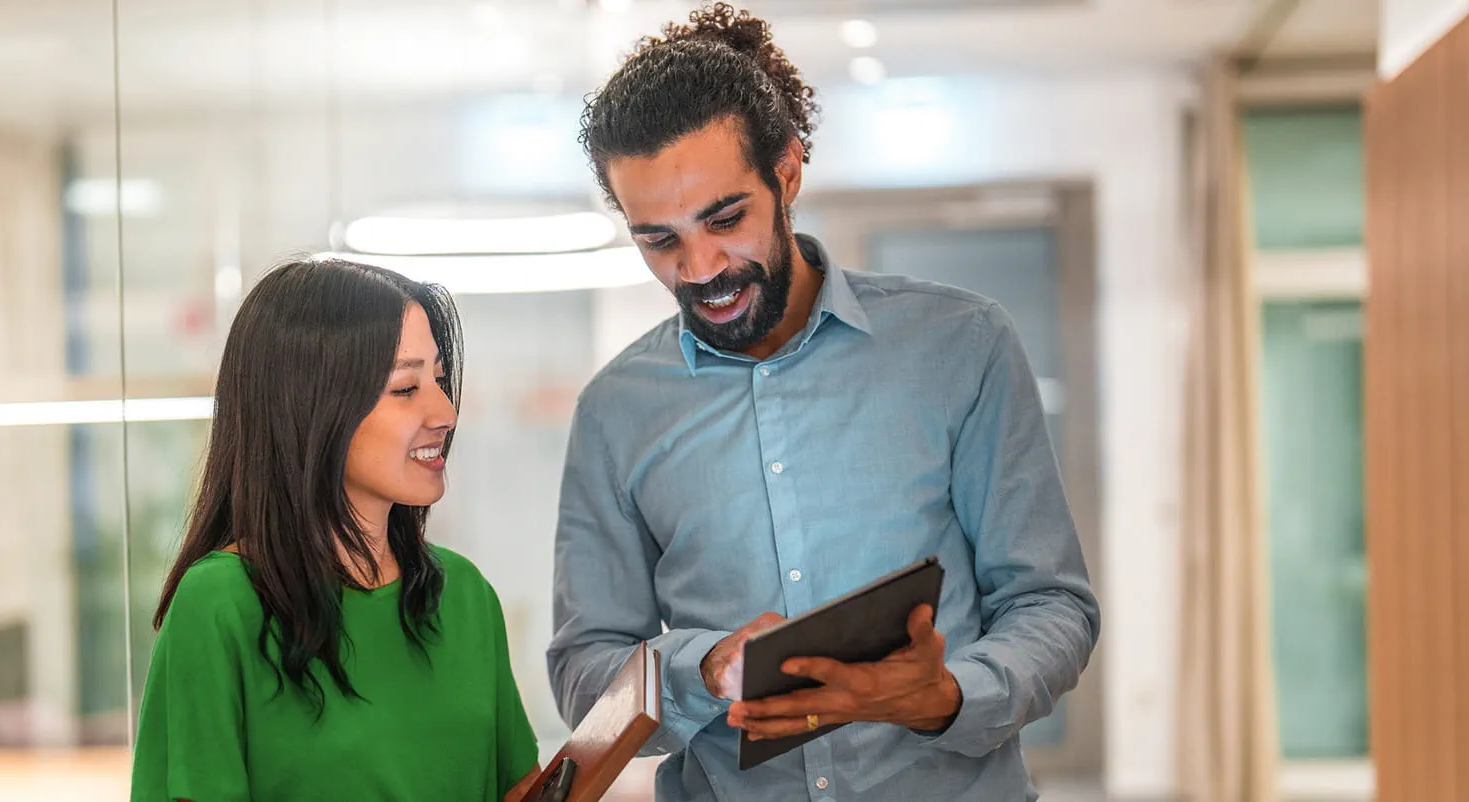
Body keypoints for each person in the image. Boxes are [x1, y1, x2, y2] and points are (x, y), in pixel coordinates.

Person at [546, 5, 1101, 800]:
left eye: (725, 218)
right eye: (658, 239)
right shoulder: (615, 411)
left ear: (789, 171)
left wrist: (948, 695)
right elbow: (586, 667)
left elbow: (1051, 604)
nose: (700, 268)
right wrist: (702, 668)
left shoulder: (961, 345)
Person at [131, 258, 541, 802]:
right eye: (405, 388)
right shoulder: (220, 605)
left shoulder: (463, 596)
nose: (445, 412)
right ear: (312, 406)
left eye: (439, 380)